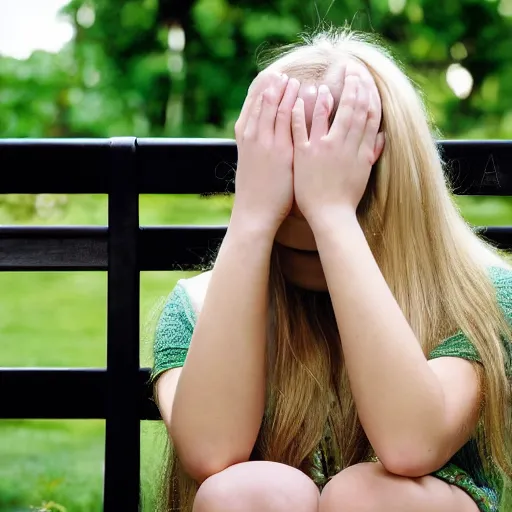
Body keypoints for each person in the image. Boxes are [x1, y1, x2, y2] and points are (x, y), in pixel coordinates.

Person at [151, 27, 512, 512]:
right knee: (244, 491)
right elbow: (211, 452)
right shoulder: (197, 309)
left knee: (375, 497)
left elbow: (412, 444)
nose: (305, 215)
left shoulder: (477, 297)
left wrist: (333, 217)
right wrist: (254, 220)